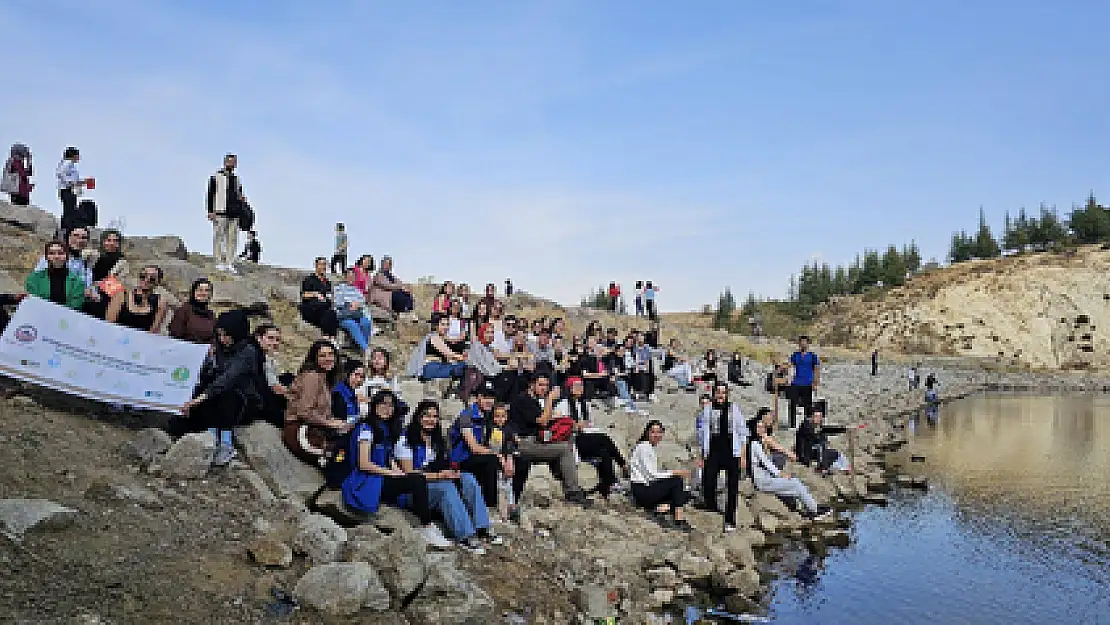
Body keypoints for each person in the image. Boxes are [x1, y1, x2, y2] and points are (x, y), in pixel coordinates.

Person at [341, 389, 452, 548]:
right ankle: (426, 526)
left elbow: (389, 456)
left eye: (391, 405)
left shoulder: (385, 429)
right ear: (374, 406)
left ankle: (428, 525)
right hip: (366, 481)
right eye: (383, 404)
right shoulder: (366, 429)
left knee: (414, 478)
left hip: (381, 477)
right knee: (418, 480)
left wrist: (398, 472)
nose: (387, 409)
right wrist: (391, 472)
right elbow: (363, 463)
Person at [398, 400, 500, 552]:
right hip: (414, 490)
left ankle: (482, 527)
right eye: (426, 416)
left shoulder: (436, 440)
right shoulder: (406, 439)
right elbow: (409, 473)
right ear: (418, 417)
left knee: (467, 478)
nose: (430, 420)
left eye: (434, 416)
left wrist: (452, 472)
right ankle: (465, 535)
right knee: (444, 487)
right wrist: (439, 476)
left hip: (435, 478)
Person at [181, 310, 263, 466]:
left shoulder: (248, 352)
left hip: (242, 399)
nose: (222, 339)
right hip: (215, 394)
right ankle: (211, 434)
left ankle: (226, 442)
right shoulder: (219, 347)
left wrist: (197, 401)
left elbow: (228, 379)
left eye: (226, 335)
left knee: (225, 394)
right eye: (220, 335)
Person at [508, 374, 590, 506]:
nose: (544, 389)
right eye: (540, 385)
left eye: (546, 385)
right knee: (564, 449)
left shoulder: (533, 400)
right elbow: (542, 421)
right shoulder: (523, 400)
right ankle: (572, 491)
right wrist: (550, 399)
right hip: (524, 444)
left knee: (566, 438)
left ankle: (566, 479)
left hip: (535, 440)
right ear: (532, 385)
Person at [556, 378, 628, 499]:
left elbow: (591, 423)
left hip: (586, 435)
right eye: (577, 386)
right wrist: (575, 425)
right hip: (573, 439)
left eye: (581, 386)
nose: (580, 389)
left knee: (604, 453)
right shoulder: (563, 405)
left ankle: (610, 484)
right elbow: (560, 424)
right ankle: (623, 464)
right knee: (603, 438)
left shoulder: (585, 404)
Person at [748, 417, 831, 520]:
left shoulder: (760, 442)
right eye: (758, 427)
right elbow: (766, 463)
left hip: (768, 477)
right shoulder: (754, 444)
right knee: (795, 484)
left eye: (762, 426)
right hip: (763, 481)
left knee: (795, 481)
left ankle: (812, 507)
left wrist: (765, 442)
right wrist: (780, 474)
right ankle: (814, 511)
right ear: (753, 429)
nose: (762, 429)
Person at [283, 340, 351, 465]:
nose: (328, 358)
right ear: (315, 358)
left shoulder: (325, 379)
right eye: (322, 355)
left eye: (331, 354)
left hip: (315, 429)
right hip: (300, 431)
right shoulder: (312, 377)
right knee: (342, 457)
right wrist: (329, 423)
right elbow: (304, 411)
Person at [697, 382, 747, 532]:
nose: (720, 395)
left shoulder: (734, 409)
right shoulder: (708, 409)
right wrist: (703, 453)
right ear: (714, 394)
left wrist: (743, 455)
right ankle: (711, 508)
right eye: (718, 392)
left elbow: (742, 430)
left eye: (723, 393)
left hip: (731, 448)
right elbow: (704, 431)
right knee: (709, 480)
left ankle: (730, 519)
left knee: (732, 486)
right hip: (714, 447)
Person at [630, 420, 693, 532]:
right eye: (653, 432)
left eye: (659, 432)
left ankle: (662, 507)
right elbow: (652, 475)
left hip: (645, 488)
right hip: (642, 490)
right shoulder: (644, 448)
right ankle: (679, 519)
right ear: (647, 433)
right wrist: (675, 472)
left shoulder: (648, 447)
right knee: (676, 481)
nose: (656, 435)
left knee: (684, 494)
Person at [448, 381, 504, 509]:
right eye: (485, 397)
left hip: (477, 457)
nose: (489, 401)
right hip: (461, 459)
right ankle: (490, 506)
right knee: (491, 460)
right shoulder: (466, 416)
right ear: (478, 397)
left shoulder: (487, 417)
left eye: (491, 397)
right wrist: (496, 454)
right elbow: (473, 446)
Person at [206, 153, 245, 273]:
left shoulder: (237, 179)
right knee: (219, 237)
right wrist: (210, 211)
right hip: (220, 211)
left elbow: (240, 194)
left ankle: (229, 262)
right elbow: (210, 194)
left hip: (234, 213)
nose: (231, 164)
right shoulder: (216, 176)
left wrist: (241, 201)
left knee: (232, 239)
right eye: (229, 162)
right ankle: (218, 261)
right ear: (225, 162)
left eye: (233, 162)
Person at [24, 241, 85, 310]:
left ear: (67, 257)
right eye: (52, 253)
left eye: (61, 253)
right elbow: (34, 303)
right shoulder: (34, 278)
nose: (56, 256)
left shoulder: (77, 282)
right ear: (46, 257)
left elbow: (75, 306)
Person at [106, 265, 168, 333]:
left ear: (158, 282)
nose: (146, 280)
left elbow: (153, 332)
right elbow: (109, 325)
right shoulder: (121, 296)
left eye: (152, 278)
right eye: (143, 276)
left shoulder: (160, 302)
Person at [794, 403, 849, 473]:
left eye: (820, 416)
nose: (818, 419)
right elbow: (815, 435)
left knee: (837, 454)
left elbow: (828, 429)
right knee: (822, 445)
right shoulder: (805, 425)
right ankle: (823, 467)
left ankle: (845, 468)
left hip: (814, 452)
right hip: (805, 454)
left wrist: (843, 429)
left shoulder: (816, 425)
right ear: (811, 416)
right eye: (816, 416)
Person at [84, 229, 127, 319]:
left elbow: (119, 283)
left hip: (105, 298)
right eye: (108, 240)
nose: (111, 243)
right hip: (85, 292)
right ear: (103, 241)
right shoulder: (93, 255)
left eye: (115, 241)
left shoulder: (122, 263)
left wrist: (98, 285)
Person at [332, 266, 375, 355]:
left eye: (353, 277)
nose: (351, 278)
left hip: (357, 313)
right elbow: (337, 302)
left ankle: (361, 346)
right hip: (344, 314)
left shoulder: (357, 291)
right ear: (345, 277)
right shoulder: (339, 288)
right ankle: (366, 349)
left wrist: (358, 304)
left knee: (366, 323)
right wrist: (350, 303)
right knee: (352, 324)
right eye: (349, 276)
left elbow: (363, 302)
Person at [255, 324, 289, 429]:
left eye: (277, 339)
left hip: (266, 394)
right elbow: (274, 387)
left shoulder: (266, 356)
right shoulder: (258, 357)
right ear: (258, 338)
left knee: (288, 377)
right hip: (262, 401)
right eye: (270, 338)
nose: (274, 343)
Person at [299, 257, 339, 340]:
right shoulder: (309, 279)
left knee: (331, 313)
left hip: (324, 310)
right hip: (311, 307)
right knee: (327, 311)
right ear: (316, 266)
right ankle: (329, 337)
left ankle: (329, 338)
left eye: (325, 264)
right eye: (321, 264)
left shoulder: (327, 282)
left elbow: (329, 296)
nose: (323, 267)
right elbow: (303, 295)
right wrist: (315, 294)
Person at [169, 279, 217, 344]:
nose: (203, 293)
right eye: (200, 290)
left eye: (207, 290)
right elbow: (175, 336)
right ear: (193, 292)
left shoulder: (211, 315)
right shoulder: (184, 311)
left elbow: (214, 337)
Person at [788, 336, 820, 429]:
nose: (803, 344)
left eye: (804, 342)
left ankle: (807, 423)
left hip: (807, 383)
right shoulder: (795, 355)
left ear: (808, 343)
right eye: (801, 342)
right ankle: (792, 424)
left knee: (808, 405)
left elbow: (817, 369)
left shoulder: (812, 356)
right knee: (792, 403)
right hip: (796, 382)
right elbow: (790, 365)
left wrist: (815, 383)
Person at [55, 147, 89, 236]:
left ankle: (67, 229)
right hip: (67, 190)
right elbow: (62, 174)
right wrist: (78, 182)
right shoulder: (67, 164)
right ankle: (65, 230)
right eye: (77, 155)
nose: (78, 157)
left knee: (69, 210)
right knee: (69, 211)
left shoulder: (70, 165)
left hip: (70, 190)